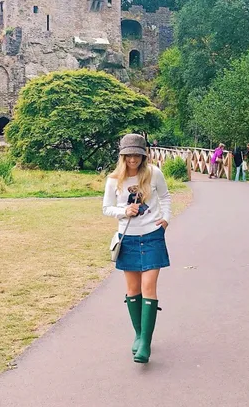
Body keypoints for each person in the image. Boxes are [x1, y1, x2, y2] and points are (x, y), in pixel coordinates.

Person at [103, 133, 171, 364]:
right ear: (122, 156)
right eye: (129, 155)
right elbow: (106, 208)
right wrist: (124, 211)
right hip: (128, 238)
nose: (133, 160)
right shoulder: (114, 180)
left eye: (137, 156)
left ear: (144, 155)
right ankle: (139, 334)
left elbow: (165, 196)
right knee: (133, 290)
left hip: (152, 235)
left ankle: (145, 344)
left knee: (148, 286)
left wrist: (166, 219)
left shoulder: (154, 173)